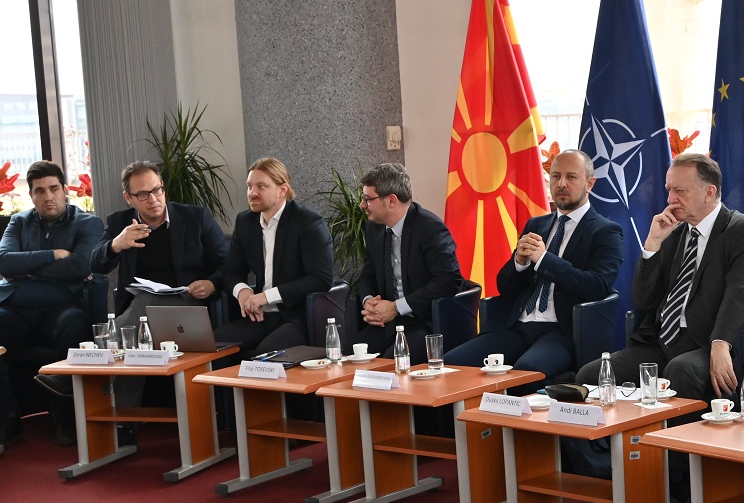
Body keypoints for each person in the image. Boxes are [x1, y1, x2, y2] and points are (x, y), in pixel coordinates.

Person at [572, 152, 744, 485]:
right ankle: (616, 472)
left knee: (681, 370)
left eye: (680, 191)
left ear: (709, 192)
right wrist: (652, 244)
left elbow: (743, 293)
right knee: (592, 375)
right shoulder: (675, 233)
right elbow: (643, 300)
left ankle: (681, 485)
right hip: (661, 341)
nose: (670, 199)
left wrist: (720, 343)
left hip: (710, 343)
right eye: (668, 190)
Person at [441, 149, 622, 388]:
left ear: (590, 184)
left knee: (525, 373)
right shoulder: (536, 224)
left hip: (562, 330)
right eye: (555, 177)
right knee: (453, 364)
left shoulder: (605, 231)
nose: (561, 184)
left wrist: (545, 260)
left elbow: (597, 286)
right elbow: (505, 287)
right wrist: (520, 262)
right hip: (517, 326)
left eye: (571, 177)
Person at [75, 161, 228, 411]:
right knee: (136, 332)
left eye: (157, 190)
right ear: (129, 198)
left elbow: (228, 264)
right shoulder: (119, 223)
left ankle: (87, 369)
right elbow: (95, 264)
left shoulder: (195, 217)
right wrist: (115, 244)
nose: (153, 199)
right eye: (143, 194)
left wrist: (212, 283)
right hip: (143, 312)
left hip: (191, 305)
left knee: (142, 307)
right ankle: (124, 421)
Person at [0, 160, 103, 446]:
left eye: (54, 188)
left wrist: (28, 270)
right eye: (40, 191)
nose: (48, 196)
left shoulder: (88, 223)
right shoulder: (18, 222)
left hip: (62, 309)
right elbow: (3, 262)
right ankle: (7, 417)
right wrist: (52, 255)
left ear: (64, 190)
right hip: (16, 309)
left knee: (75, 324)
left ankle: (64, 416)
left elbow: (80, 265)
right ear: (31, 195)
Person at [215, 157, 334, 355]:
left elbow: (321, 279)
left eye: (261, 186)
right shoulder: (245, 222)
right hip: (261, 316)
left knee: (265, 355)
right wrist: (242, 291)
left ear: (282, 190)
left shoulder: (308, 222)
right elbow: (231, 271)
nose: (252, 193)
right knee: (212, 346)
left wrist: (266, 296)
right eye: (249, 186)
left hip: (298, 316)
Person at [353, 162, 467, 363]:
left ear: (391, 200)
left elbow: (449, 280)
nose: (362, 205)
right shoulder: (374, 228)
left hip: (425, 322)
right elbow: (368, 273)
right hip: (387, 323)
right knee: (349, 358)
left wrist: (396, 307)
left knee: (390, 364)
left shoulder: (430, 228)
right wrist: (369, 301)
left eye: (368, 199)